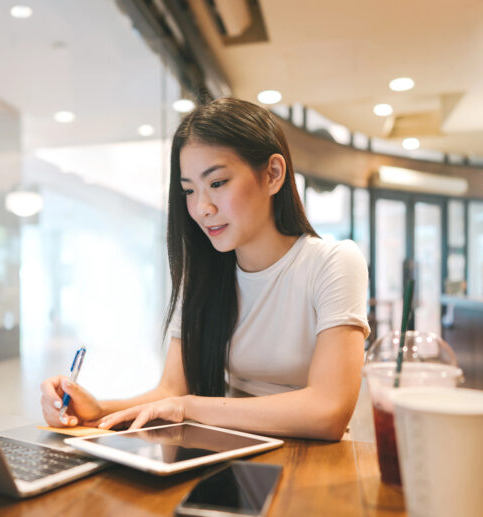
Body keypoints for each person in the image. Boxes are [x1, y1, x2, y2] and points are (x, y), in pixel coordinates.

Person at [40, 98, 370, 441]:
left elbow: (329, 410)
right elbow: (170, 391)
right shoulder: (205, 275)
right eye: (188, 190)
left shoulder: (333, 262)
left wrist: (190, 407)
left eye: (217, 183)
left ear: (273, 174)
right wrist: (98, 410)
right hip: (233, 454)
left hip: (313, 463)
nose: (202, 208)